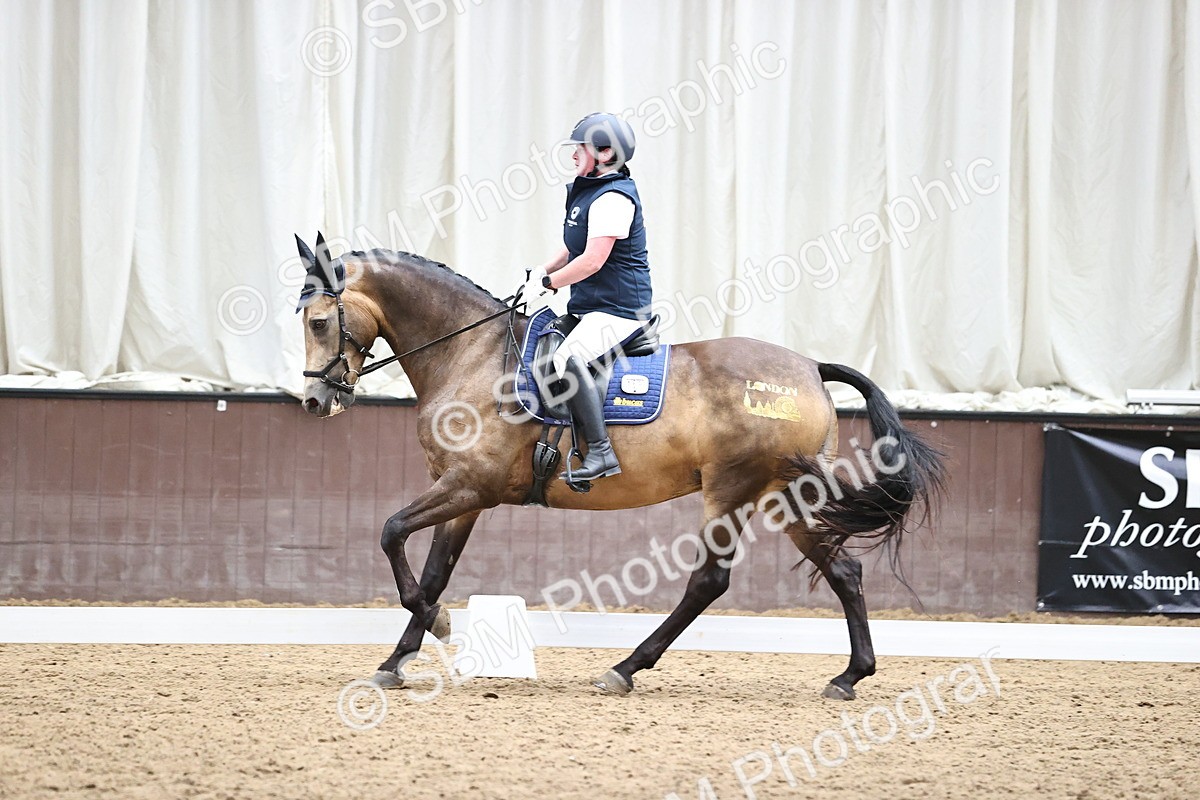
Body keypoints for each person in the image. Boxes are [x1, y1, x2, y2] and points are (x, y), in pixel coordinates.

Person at [527, 112, 653, 482]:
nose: (573, 155)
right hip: (593, 307)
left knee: (568, 357)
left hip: (621, 310)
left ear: (603, 153)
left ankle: (601, 453)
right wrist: (540, 273)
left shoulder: (613, 198)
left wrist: (550, 285)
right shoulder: (589, 193)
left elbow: (593, 261)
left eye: (579, 148)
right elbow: (572, 250)